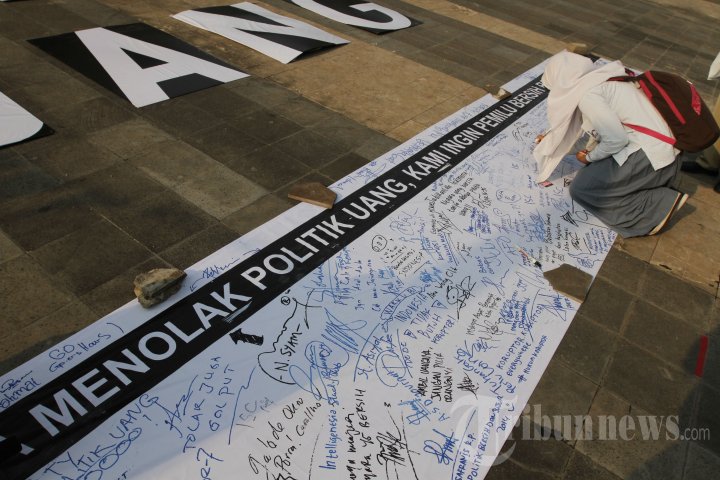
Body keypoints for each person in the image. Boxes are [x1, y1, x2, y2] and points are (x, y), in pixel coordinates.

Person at [534, 51, 690, 237]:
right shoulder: (604, 79)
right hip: (663, 155)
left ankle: (658, 205)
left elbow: (616, 140)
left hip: (649, 158)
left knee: (582, 189)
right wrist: (552, 143)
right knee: (595, 173)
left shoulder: (589, 95)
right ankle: (646, 186)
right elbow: (593, 137)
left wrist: (589, 158)